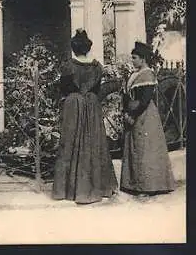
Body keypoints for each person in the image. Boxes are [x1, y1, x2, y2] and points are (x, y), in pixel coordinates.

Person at [53, 29, 118, 204]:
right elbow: (97, 89)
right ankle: (96, 187)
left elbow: (64, 88)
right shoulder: (97, 67)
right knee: (93, 142)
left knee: (71, 142)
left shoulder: (68, 66)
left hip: (74, 105)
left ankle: (72, 190)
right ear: (88, 48)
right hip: (92, 104)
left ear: (74, 48)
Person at [120, 41, 175, 196]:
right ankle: (134, 184)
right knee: (135, 147)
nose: (132, 60)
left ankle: (148, 186)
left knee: (145, 149)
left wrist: (133, 115)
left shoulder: (148, 74)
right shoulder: (134, 74)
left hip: (144, 115)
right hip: (134, 111)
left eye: (135, 57)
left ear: (143, 59)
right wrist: (126, 109)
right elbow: (128, 96)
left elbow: (145, 100)